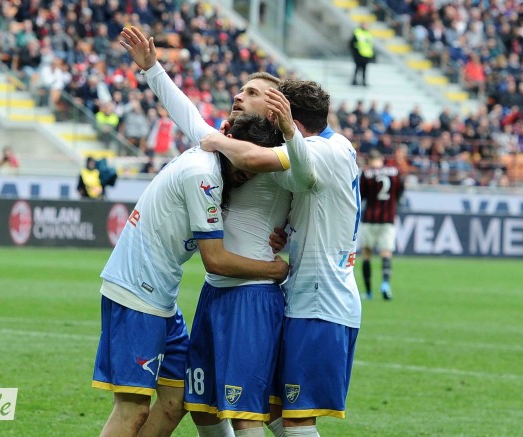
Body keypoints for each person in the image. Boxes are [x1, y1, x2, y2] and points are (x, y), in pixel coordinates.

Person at [121, 26, 292, 436]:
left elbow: (315, 195)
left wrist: (289, 243)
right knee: (203, 407)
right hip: (215, 292)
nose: (239, 95)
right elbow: (186, 113)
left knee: (253, 413)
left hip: (252, 293)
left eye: (252, 93)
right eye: (242, 89)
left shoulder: (287, 156)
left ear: (274, 109)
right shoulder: (224, 141)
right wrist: (152, 69)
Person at [91, 113, 289, 437]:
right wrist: (275, 270)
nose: (248, 172)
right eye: (245, 161)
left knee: (176, 398)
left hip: (161, 298)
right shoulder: (204, 174)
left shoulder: (213, 162)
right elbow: (215, 260)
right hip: (137, 293)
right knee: (133, 408)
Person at [201, 78, 362, 436]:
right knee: (274, 409)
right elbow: (313, 199)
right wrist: (287, 230)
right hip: (310, 298)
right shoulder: (339, 145)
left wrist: (217, 140)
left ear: (289, 117)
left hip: (321, 304)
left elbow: (262, 162)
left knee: (297, 420)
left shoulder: (319, 150)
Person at [359, 148, 405, 300]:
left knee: (366, 254)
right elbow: (401, 191)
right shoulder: (394, 172)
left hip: (370, 219)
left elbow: (361, 195)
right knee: (386, 252)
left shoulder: (366, 173)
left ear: (369, 160)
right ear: (382, 159)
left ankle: (368, 292)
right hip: (388, 219)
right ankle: (385, 284)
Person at [350, 21, 374, 87]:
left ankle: (364, 81)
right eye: (364, 25)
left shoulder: (368, 34)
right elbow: (352, 43)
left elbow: (370, 45)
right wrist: (355, 51)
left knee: (365, 69)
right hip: (358, 54)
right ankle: (354, 80)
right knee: (357, 68)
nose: (366, 26)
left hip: (366, 54)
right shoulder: (357, 32)